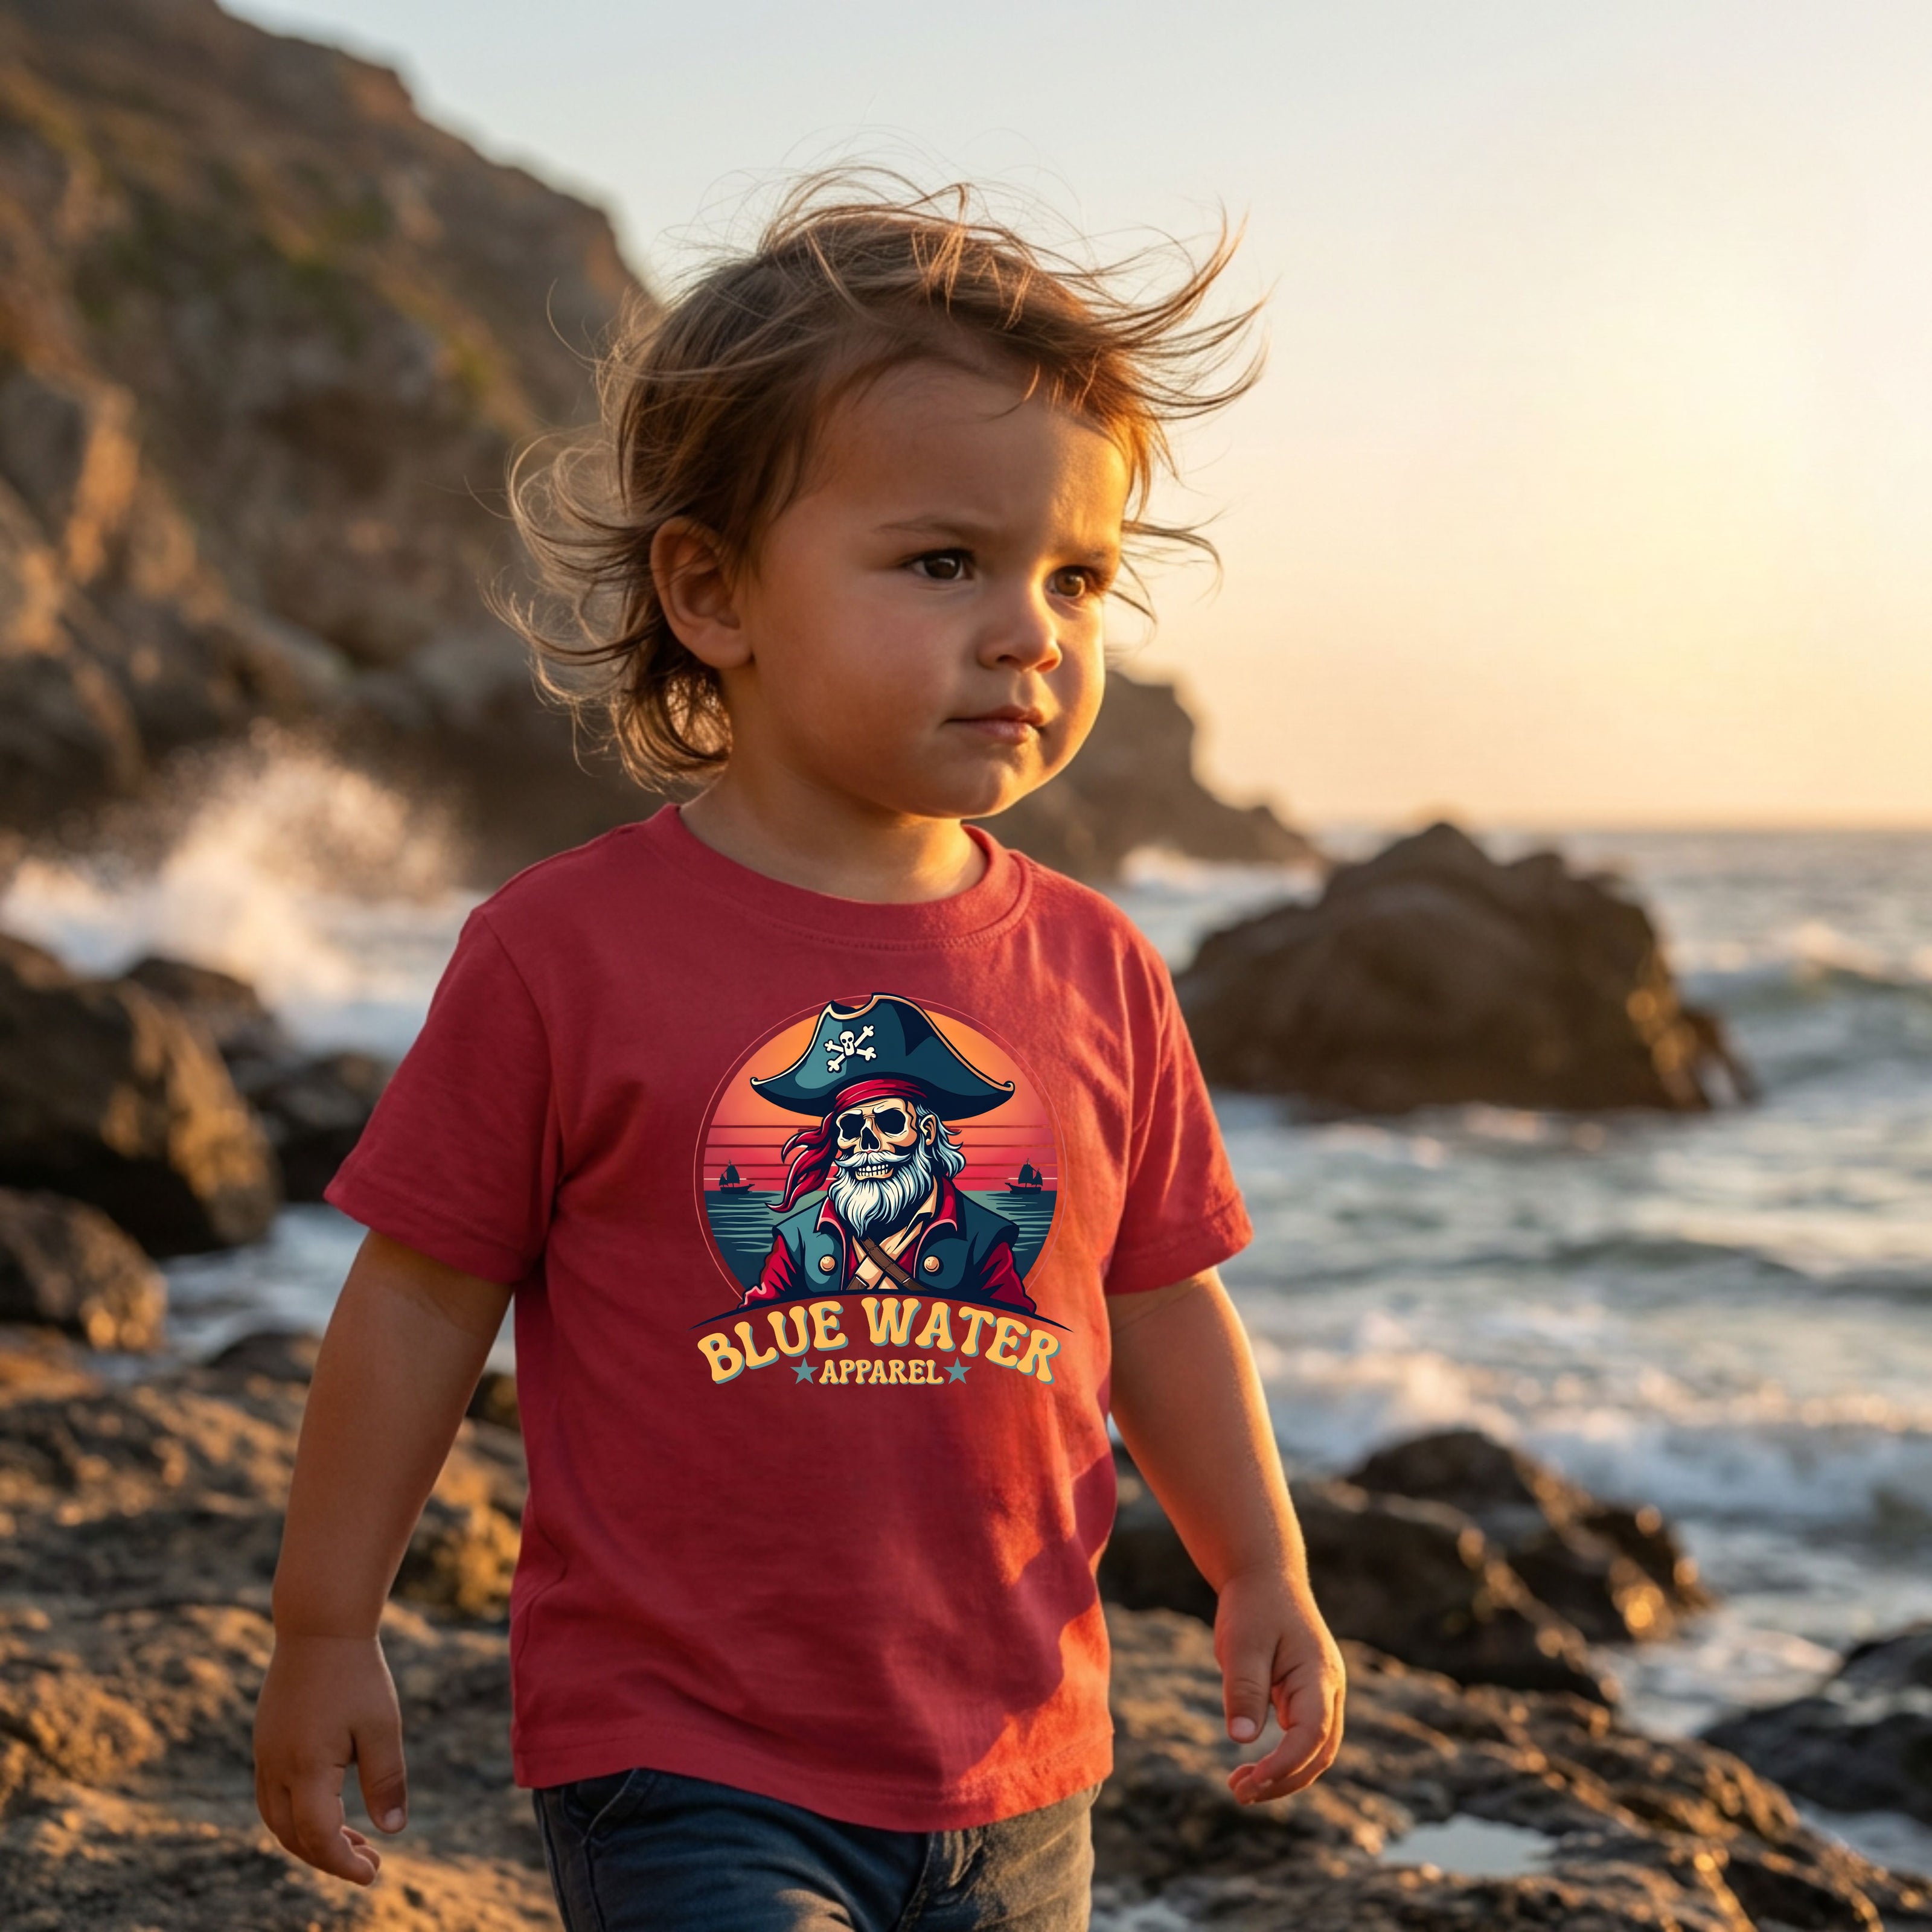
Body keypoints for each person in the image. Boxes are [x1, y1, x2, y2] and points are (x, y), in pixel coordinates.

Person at [252, 172, 1347, 1932]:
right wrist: (324, 1629)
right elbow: (415, 1301)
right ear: (712, 593)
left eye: (1079, 577)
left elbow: (1157, 1303)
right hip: (683, 1753)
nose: (1030, 632)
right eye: (943, 562)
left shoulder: (1096, 965)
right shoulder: (561, 953)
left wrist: (1262, 1567)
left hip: (1019, 1756)